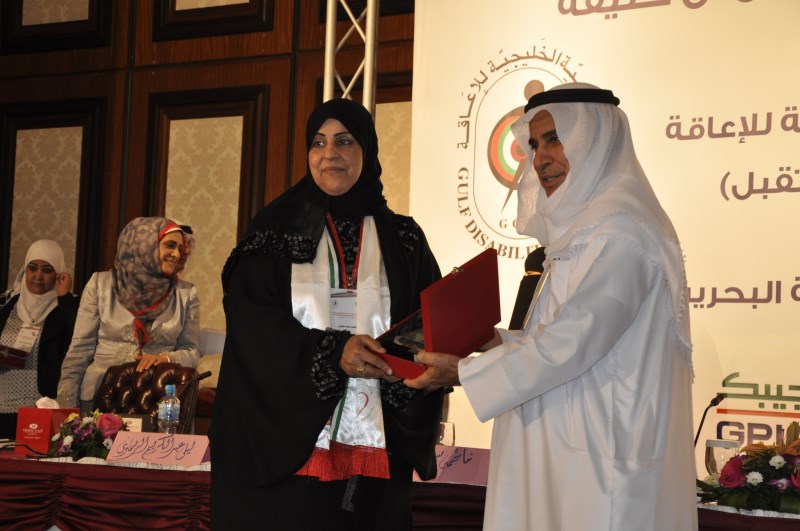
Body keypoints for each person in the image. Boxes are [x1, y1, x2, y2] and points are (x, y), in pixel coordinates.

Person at [406, 83, 697, 530]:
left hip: (601, 469)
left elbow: (574, 342)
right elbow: (560, 337)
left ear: (596, 140)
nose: (541, 158)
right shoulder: (587, 230)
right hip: (565, 457)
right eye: (534, 144)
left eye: (555, 139)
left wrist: (465, 373)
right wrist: (491, 341)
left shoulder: (622, 233)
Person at [211, 98, 444, 530]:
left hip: (380, 452)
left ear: (367, 150)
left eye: (345, 141)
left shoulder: (404, 239)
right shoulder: (273, 233)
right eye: (318, 143)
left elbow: (427, 323)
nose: (329, 154)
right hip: (288, 456)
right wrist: (333, 352)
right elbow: (252, 327)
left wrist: (404, 362)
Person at [57, 217, 200, 414]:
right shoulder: (101, 284)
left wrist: (166, 358)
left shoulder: (185, 293)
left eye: (180, 248)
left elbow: (192, 352)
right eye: (170, 245)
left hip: (157, 400)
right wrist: (66, 410)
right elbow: (79, 351)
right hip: (100, 396)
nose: (177, 254)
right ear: (145, 245)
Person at [0, 240, 78, 439]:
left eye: (47, 270)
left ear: (58, 274)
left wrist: (65, 297)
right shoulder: (7, 306)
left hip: (42, 408)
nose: (38, 276)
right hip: (3, 405)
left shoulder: (66, 309)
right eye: (32, 268)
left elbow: (79, 341)